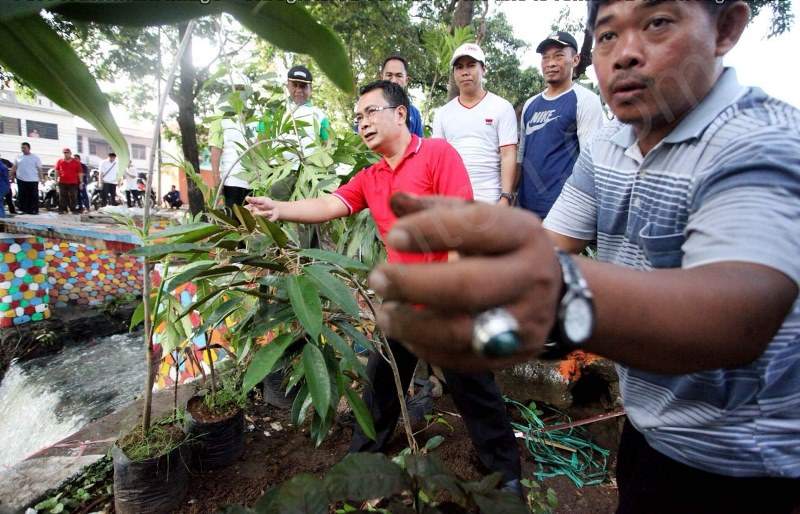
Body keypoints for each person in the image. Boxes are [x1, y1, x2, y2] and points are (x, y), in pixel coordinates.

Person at [369, 1, 800, 513]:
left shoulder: (764, 137)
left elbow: (737, 315)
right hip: (650, 430)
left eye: (657, 23)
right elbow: (550, 244)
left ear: (725, 28)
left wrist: (552, 290)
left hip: (755, 462)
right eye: (608, 35)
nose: (625, 55)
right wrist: (483, 287)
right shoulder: (608, 148)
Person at [247, 80, 523, 495]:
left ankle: (506, 473)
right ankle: (365, 453)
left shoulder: (436, 154)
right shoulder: (371, 176)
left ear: (400, 113)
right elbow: (330, 204)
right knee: (382, 381)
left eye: (370, 112)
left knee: (474, 388)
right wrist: (279, 209)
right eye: (357, 117)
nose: (362, 122)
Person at [517, 31, 605, 218]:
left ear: (575, 60)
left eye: (558, 56)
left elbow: (592, 163)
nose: (550, 63)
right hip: (525, 210)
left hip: (564, 214)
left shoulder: (585, 101)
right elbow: (521, 156)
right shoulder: (530, 105)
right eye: (545, 57)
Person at [432, 43, 518, 205]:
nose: (465, 72)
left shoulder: (502, 107)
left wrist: (506, 198)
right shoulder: (442, 113)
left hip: (490, 201)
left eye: (471, 66)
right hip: (453, 202)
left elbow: (508, 154)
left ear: (483, 69)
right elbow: (438, 160)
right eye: (459, 67)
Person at [381, 55, 424, 137]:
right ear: (381, 77)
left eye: (399, 75)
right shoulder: (369, 108)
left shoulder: (414, 113)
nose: (393, 80)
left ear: (406, 80)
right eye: (389, 75)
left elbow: (419, 145)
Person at [11, 142, 43, 214]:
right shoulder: (18, 157)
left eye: (24, 148)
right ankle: (23, 209)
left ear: (29, 148)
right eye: (22, 148)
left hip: (33, 180)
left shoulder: (35, 157)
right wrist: (11, 175)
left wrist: (42, 179)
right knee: (22, 195)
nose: (23, 149)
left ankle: (33, 210)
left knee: (33, 195)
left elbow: (39, 169)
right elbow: (14, 167)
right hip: (21, 179)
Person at [54, 148, 82, 214]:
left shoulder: (76, 162)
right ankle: (63, 209)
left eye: (67, 152)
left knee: (73, 196)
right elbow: (57, 170)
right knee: (62, 196)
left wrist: (81, 182)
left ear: (70, 153)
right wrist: (56, 179)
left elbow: (80, 172)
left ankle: (73, 209)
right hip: (62, 182)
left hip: (73, 182)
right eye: (64, 153)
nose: (66, 154)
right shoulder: (60, 161)